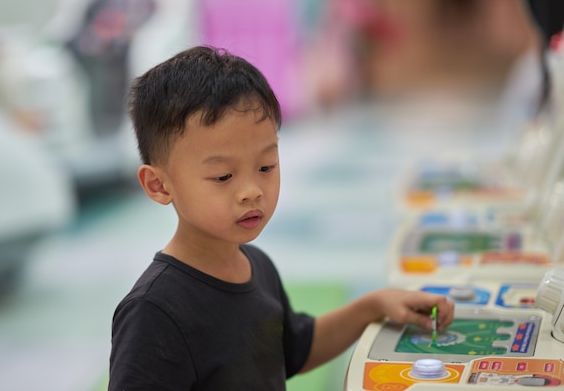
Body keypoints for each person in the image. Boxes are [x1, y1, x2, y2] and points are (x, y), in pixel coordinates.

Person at [107, 46, 454, 391]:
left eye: (265, 167)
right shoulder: (153, 312)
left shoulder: (256, 265)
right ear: (158, 185)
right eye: (224, 177)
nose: (252, 191)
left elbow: (295, 350)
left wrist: (373, 306)